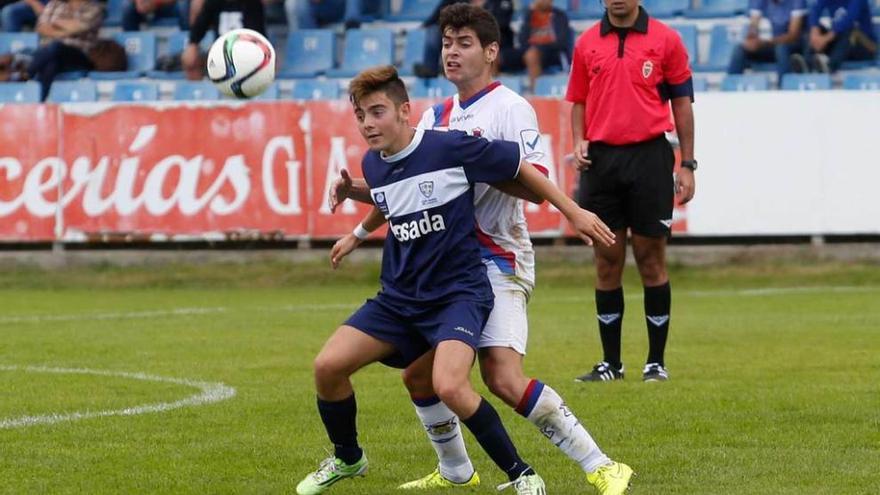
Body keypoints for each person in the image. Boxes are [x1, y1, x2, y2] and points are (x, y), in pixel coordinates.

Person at [329, 5, 635, 494]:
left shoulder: (511, 108)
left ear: (491, 52)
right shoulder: (435, 115)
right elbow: (412, 185)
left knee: (502, 377)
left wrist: (569, 210)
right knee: (418, 378)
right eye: (448, 41)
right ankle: (454, 471)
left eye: (465, 42)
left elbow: (534, 185)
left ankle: (601, 465)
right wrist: (359, 222)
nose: (452, 50)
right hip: (449, 267)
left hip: (497, 259)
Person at [565, 0, 696, 383]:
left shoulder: (667, 40)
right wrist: (578, 140)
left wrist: (687, 164)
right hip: (601, 163)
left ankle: (656, 362)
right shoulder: (586, 42)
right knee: (606, 261)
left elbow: (682, 104)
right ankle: (611, 364)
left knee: (650, 258)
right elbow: (579, 99)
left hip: (650, 158)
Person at [412, 0, 514, 78]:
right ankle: (431, 69)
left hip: (496, 43)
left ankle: (491, 88)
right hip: (464, 40)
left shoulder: (502, 2)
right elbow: (440, 14)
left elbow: (501, 24)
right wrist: (425, 25)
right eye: (446, 45)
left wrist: (472, 28)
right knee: (434, 30)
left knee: (488, 49)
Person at [27, 0, 102, 101]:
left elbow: (79, 27)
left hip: (80, 55)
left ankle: (27, 72)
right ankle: (39, 102)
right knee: (52, 64)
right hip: (53, 55)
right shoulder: (54, 4)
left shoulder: (93, 8)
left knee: (56, 46)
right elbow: (41, 28)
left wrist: (55, 26)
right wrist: (65, 30)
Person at [181, 0, 265, 80]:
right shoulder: (213, 3)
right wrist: (193, 44)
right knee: (190, 59)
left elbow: (256, 35)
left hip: (246, 51)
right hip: (219, 52)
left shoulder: (252, 4)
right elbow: (200, 27)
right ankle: (198, 92)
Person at [727, 0, 807, 82]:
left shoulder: (797, 1)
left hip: (794, 46)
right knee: (740, 49)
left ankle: (784, 89)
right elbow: (754, 25)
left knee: (781, 48)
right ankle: (729, 88)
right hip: (771, 46)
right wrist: (751, 38)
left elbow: (793, 35)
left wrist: (765, 43)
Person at [509, 0, 572, 92]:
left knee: (531, 55)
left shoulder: (559, 15)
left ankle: (534, 92)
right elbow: (522, 39)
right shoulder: (529, 15)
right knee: (496, 56)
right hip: (529, 49)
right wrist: (530, 13)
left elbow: (561, 42)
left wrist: (540, 44)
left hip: (553, 52)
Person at [805, 0, 876, 73]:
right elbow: (815, 10)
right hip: (841, 45)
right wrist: (815, 33)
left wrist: (825, 39)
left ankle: (829, 67)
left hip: (865, 47)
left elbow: (848, 20)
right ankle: (807, 64)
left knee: (850, 31)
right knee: (816, 28)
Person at [283, 0, 380, 31]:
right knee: (293, 3)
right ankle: (307, 45)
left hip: (348, 7)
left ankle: (352, 29)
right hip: (321, 8)